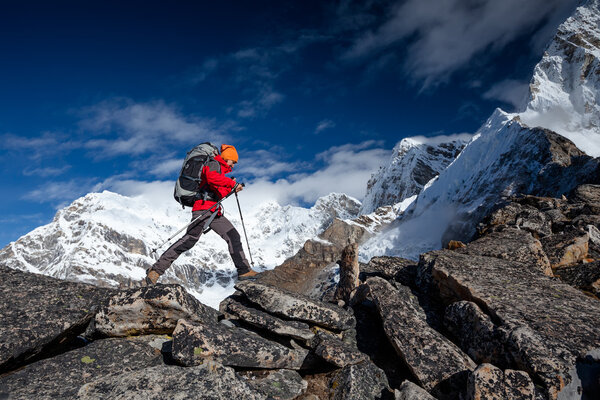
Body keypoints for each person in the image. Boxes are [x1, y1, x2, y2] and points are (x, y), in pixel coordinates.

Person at [144, 144, 259, 285]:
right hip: (203, 209)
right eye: (233, 161)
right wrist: (231, 184)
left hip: (214, 211)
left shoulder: (219, 170)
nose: (234, 165)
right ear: (227, 158)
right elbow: (211, 178)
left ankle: (244, 270)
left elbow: (215, 191)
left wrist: (232, 188)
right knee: (189, 240)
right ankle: (155, 271)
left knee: (233, 236)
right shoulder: (214, 163)